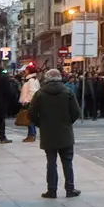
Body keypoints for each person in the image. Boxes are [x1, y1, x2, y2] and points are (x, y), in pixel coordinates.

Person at [28, 68, 82, 198]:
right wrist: (68, 122)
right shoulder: (67, 92)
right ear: (59, 78)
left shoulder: (40, 94)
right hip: (65, 132)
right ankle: (70, 188)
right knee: (67, 161)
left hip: (48, 132)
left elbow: (31, 113)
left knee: (51, 162)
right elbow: (76, 112)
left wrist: (40, 124)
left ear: (47, 79)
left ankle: (51, 189)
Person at [18, 70, 40, 141]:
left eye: (26, 70)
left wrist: (26, 100)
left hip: (29, 102)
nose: (25, 72)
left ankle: (31, 135)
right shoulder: (32, 79)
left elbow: (32, 91)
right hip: (31, 101)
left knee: (29, 119)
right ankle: (31, 134)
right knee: (29, 118)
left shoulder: (31, 80)